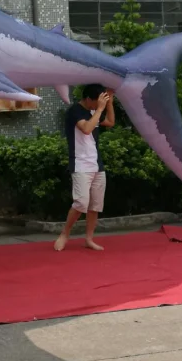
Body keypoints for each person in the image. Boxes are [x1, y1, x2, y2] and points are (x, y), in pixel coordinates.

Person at [54, 84, 115, 252]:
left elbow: (110, 122)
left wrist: (108, 104)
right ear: (89, 99)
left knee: (95, 205)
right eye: (97, 102)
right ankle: (65, 234)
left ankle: (89, 238)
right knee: (81, 202)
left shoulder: (94, 110)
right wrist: (100, 109)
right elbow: (87, 129)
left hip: (96, 164)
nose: (98, 106)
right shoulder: (75, 111)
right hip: (80, 164)